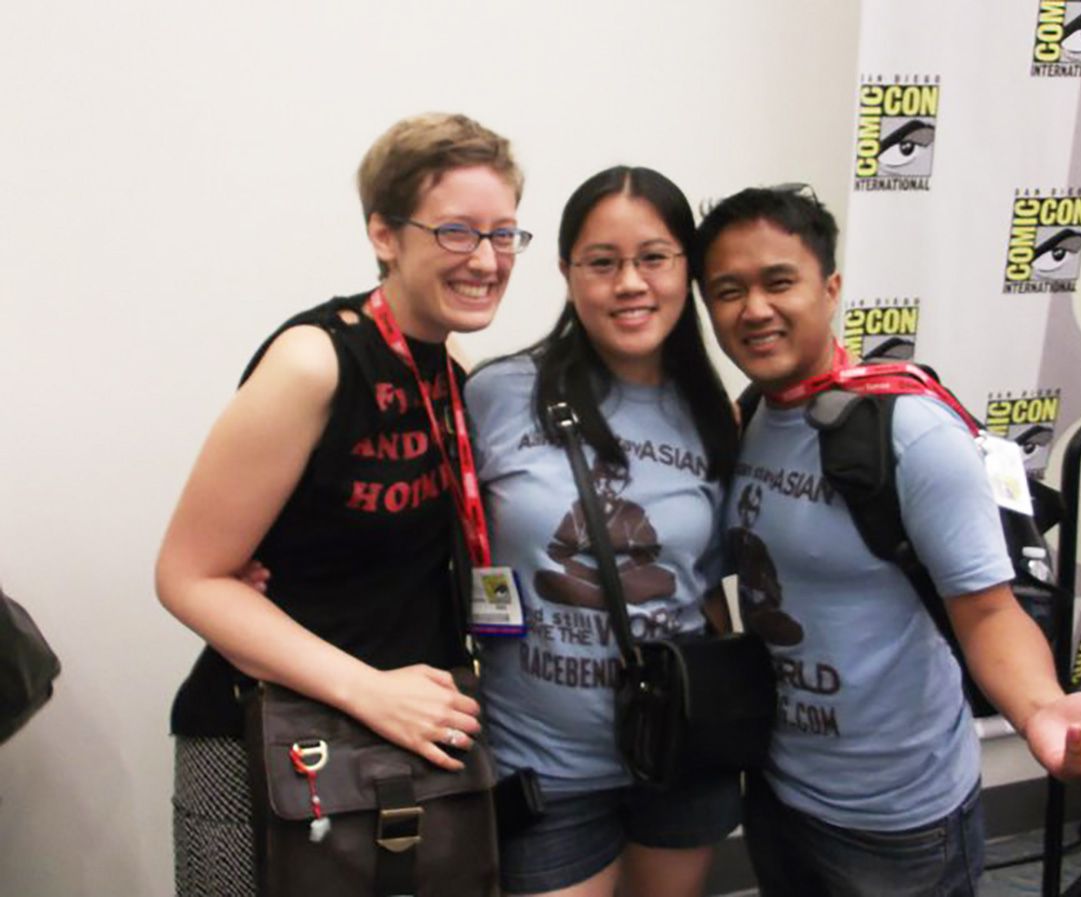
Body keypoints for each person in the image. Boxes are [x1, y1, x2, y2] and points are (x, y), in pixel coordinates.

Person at [691, 184, 1081, 897]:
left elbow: (987, 611)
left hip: (901, 827)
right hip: (779, 796)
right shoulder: (748, 421)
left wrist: (1042, 706)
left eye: (779, 281)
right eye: (727, 290)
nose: (754, 309)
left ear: (829, 288)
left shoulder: (910, 431)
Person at [155, 112, 528, 896]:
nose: (487, 260)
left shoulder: (449, 366)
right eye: (457, 232)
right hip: (268, 746)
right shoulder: (314, 361)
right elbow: (188, 576)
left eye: (504, 234)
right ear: (384, 234)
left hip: (398, 743)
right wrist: (372, 688)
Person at [463, 165, 740, 897]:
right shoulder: (497, 394)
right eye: (602, 262)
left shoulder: (717, 415)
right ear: (566, 272)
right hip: (543, 766)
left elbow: (708, 590)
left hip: (679, 751)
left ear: (688, 269)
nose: (630, 283)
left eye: (654, 257)